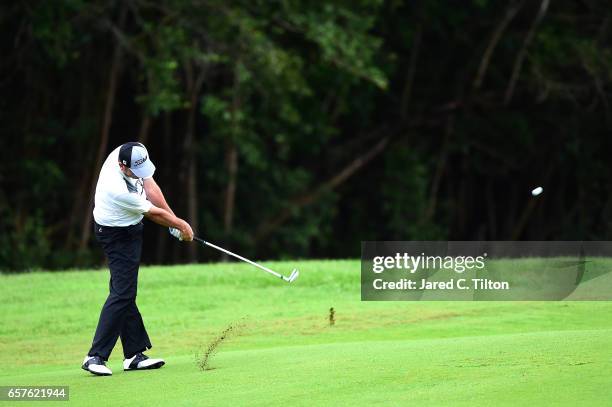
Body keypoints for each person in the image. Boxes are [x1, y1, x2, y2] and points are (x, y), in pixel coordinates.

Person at [82, 142, 194, 376]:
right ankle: (95, 356)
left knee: (124, 290)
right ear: (123, 167)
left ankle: (133, 354)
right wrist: (181, 226)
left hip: (131, 229)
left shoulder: (134, 152)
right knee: (123, 292)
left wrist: (173, 220)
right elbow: (153, 212)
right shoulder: (116, 188)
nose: (141, 175)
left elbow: (150, 185)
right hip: (115, 233)